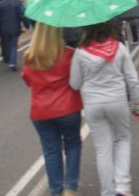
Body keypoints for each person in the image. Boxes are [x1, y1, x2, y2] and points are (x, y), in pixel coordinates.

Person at [69, 21, 139, 196]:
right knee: (122, 139)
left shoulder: (80, 52)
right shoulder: (119, 48)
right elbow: (132, 79)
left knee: (103, 148)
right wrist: (136, 103)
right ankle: (123, 186)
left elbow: (75, 83)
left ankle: (107, 191)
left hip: (93, 103)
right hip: (117, 100)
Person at [22, 24, 83, 196]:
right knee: (72, 145)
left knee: (51, 150)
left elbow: (28, 81)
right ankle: (70, 187)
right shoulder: (69, 54)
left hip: (40, 111)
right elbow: (77, 81)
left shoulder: (29, 56)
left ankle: (56, 191)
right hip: (68, 108)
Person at [0, 0, 26, 71]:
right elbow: (22, 13)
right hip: (15, 27)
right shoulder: (17, 2)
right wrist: (25, 23)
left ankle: (8, 58)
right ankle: (12, 62)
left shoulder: (0, 4)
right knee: (13, 45)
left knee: (7, 44)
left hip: (4, 28)